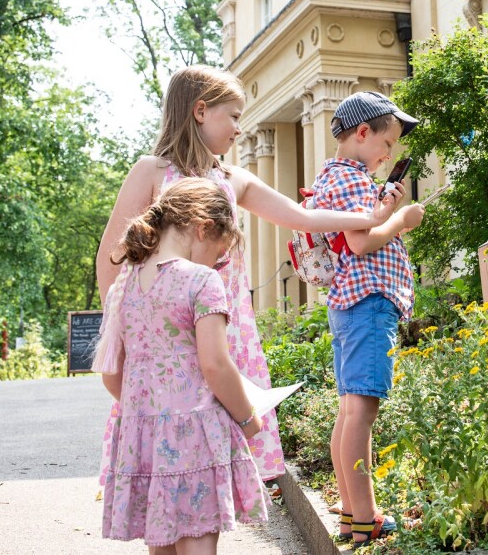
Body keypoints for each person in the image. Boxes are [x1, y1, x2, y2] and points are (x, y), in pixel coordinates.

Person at [96, 65, 399, 492]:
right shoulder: (152, 171)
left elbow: (303, 217)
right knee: (169, 450)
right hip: (163, 335)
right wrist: (122, 330)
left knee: (216, 449)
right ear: (201, 111)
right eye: (234, 115)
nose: (241, 128)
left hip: (224, 328)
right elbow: (112, 257)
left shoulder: (232, 179)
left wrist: (372, 217)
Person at [92, 177, 268, 554]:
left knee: (161, 543)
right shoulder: (202, 281)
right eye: (219, 254)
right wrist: (247, 418)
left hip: (145, 437)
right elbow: (216, 365)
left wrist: (150, 411)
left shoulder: (127, 284)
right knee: (198, 541)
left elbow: (111, 374)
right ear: (204, 227)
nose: (217, 264)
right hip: (195, 433)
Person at [310, 91, 425, 549]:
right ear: (363, 133)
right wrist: (401, 221)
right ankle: (366, 519)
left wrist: (384, 207)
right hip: (368, 301)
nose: (390, 154)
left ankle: (352, 515)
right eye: (388, 143)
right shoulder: (353, 179)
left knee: (349, 410)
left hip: (350, 304)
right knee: (362, 411)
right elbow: (360, 243)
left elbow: (357, 227)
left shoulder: (336, 176)